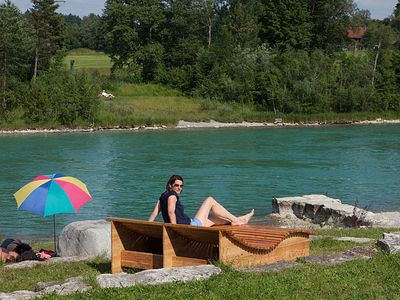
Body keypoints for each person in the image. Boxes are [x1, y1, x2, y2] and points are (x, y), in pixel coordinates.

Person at [148, 175, 254, 227]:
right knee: (210, 200)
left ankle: (239, 220)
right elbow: (171, 212)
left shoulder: (163, 196)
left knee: (215, 219)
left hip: (190, 225)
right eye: (176, 185)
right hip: (191, 226)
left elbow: (154, 213)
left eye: (181, 186)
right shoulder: (172, 195)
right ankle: (237, 219)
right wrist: (175, 229)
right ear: (171, 185)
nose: (179, 188)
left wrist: (148, 226)